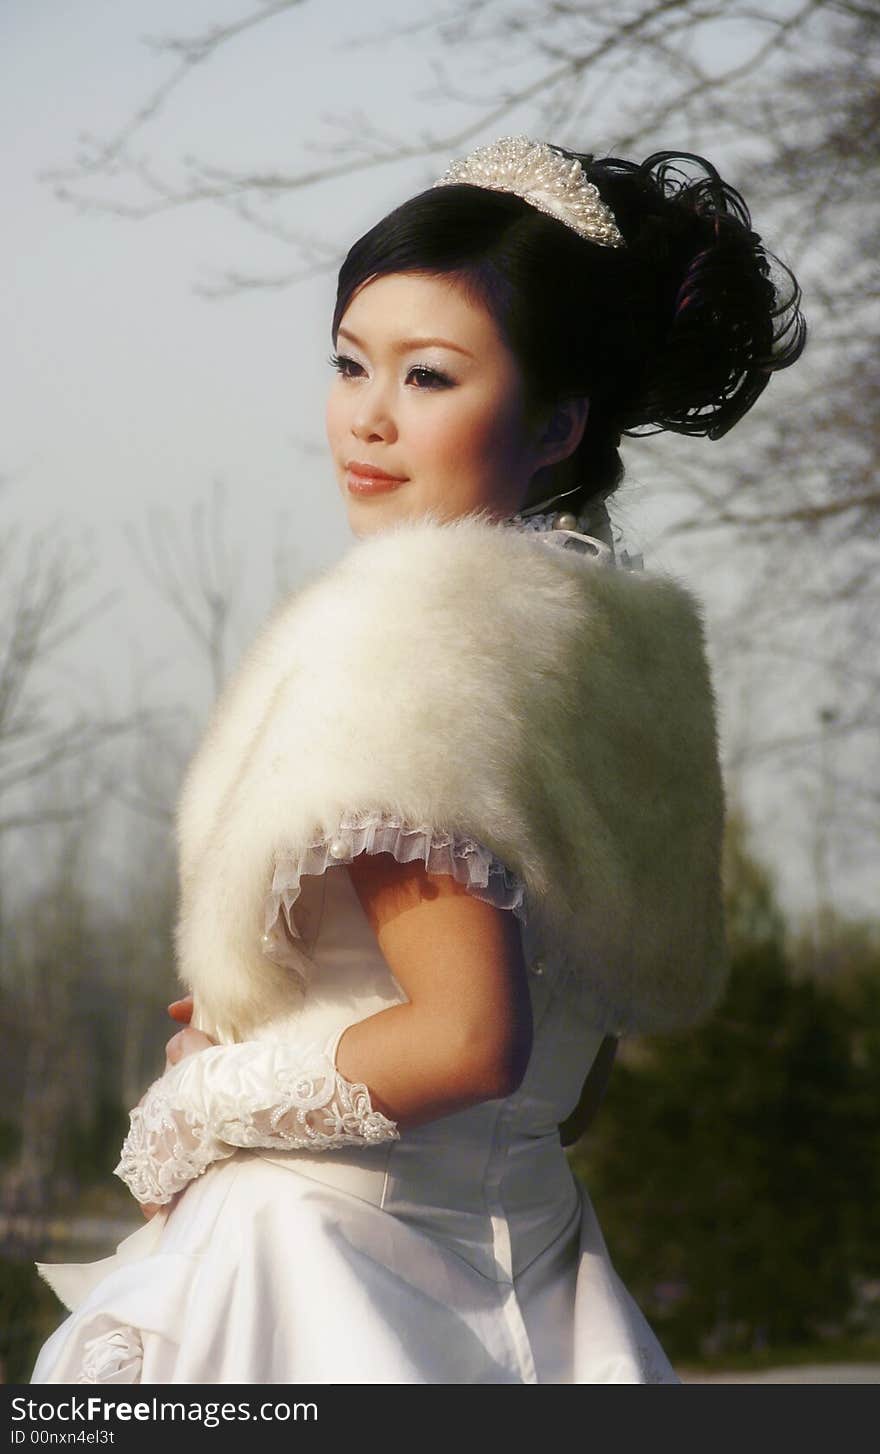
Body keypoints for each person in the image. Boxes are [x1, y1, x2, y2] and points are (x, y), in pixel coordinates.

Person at [31, 135, 804, 1385]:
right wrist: (305, 1024)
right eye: (348, 362)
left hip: (313, 1265)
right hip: (541, 1271)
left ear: (558, 423)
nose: (366, 417)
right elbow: (564, 1082)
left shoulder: (410, 643)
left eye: (429, 375)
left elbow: (465, 1038)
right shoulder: (621, 661)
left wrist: (207, 1092)